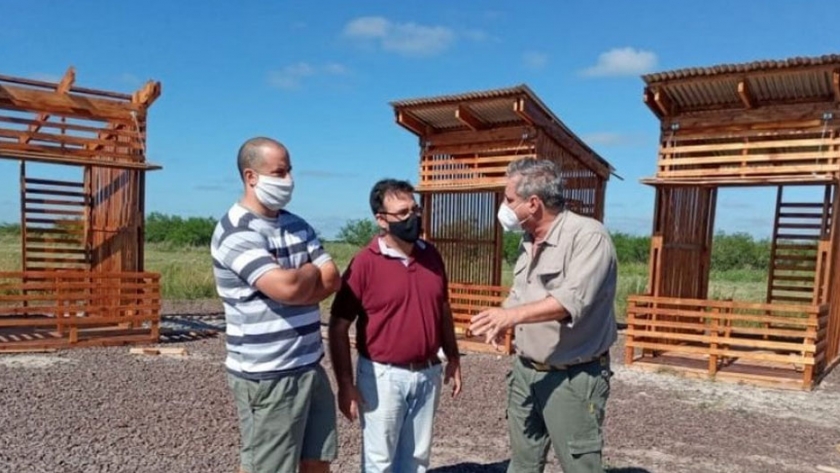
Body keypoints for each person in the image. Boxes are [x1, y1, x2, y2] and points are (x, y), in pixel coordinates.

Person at [469, 157, 618, 473]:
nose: (504, 206)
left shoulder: (588, 236)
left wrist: (510, 317)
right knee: (523, 463)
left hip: (572, 376)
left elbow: (570, 301)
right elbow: (520, 295)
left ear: (533, 203)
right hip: (525, 373)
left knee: (581, 467)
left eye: (510, 199)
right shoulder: (528, 240)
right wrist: (501, 320)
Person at [210, 137, 342, 473]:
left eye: (289, 171)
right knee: (267, 466)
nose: (288, 180)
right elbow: (286, 288)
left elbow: (332, 280)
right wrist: (308, 272)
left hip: (310, 364)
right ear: (251, 176)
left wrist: (301, 282)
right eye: (279, 172)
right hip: (267, 374)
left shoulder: (297, 225)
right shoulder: (235, 231)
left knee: (318, 458)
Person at [329, 178, 462, 473]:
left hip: (428, 372)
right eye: (402, 213)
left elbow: (442, 308)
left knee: (417, 459)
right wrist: (346, 385)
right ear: (381, 219)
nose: (412, 217)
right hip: (382, 376)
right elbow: (338, 326)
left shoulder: (432, 256)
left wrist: (452, 357)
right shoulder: (364, 263)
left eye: (415, 209)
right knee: (380, 461)